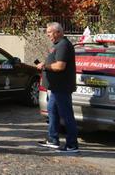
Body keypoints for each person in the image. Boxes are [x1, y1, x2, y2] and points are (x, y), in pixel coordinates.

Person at [36, 22, 78, 153]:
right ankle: (53, 139)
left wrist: (44, 66)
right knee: (52, 111)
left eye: (50, 33)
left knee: (66, 115)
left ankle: (72, 145)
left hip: (62, 87)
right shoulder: (57, 45)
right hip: (55, 87)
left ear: (58, 32)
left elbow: (60, 66)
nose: (48, 36)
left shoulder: (64, 45)